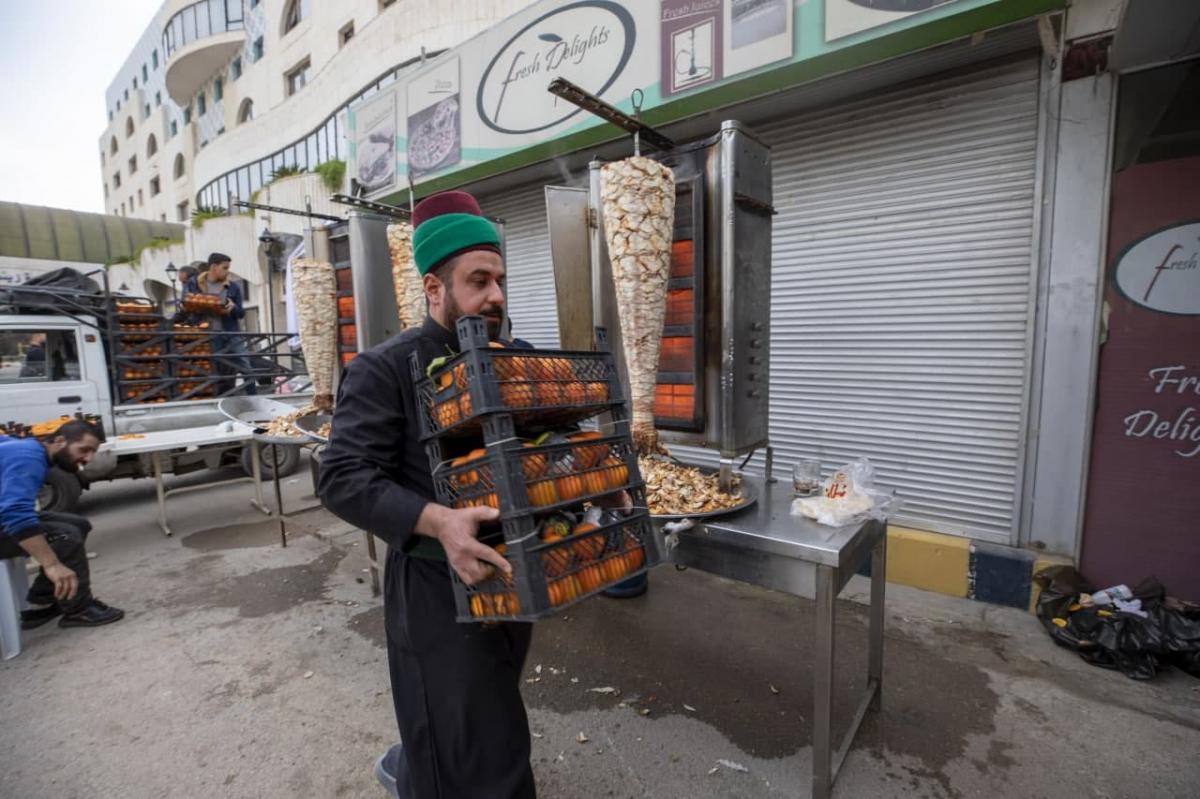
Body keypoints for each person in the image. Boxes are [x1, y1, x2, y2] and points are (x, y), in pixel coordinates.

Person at [318, 191, 536, 798]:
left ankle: (413, 771)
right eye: (479, 281)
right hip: (435, 588)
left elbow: (542, 445)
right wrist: (438, 520)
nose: (496, 295)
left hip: (510, 575)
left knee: (478, 720)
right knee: (482, 755)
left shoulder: (515, 360)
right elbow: (341, 476)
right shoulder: (384, 369)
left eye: (500, 280)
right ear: (434, 289)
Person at [0, 419, 125, 628]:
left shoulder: (26, 447)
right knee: (66, 536)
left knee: (78, 524)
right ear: (59, 441)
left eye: (92, 452)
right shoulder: (28, 457)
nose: (88, 458)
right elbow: (15, 514)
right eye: (83, 450)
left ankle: (44, 602)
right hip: (5, 517)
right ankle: (79, 609)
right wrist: (52, 565)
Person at [184, 252, 256, 395]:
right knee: (212, 368)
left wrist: (233, 307)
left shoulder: (233, 287)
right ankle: (216, 398)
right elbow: (185, 303)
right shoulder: (194, 283)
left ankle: (253, 396)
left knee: (245, 364)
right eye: (225, 268)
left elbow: (241, 313)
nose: (227, 271)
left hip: (231, 333)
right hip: (206, 335)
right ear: (214, 267)